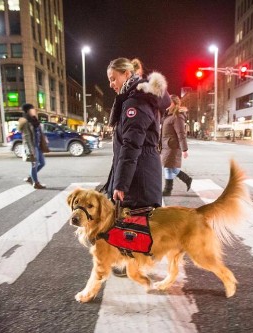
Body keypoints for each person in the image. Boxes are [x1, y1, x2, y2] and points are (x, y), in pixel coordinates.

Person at [104, 58, 166, 277]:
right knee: (135, 216)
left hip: (139, 171)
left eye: (113, 79)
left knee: (135, 215)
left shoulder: (135, 103)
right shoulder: (134, 98)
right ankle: (135, 260)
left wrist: (120, 183)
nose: (111, 84)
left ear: (126, 74)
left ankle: (137, 261)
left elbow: (131, 145)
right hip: (141, 168)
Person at [160, 94, 192, 196]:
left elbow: (181, 133)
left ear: (173, 103)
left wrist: (184, 149)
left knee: (170, 167)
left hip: (172, 146)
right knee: (168, 167)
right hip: (166, 146)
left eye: (167, 101)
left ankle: (171, 187)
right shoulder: (167, 115)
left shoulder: (177, 116)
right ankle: (168, 189)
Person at [18, 103, 49, 189]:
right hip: (33, 146)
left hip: (38, 145)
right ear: (28, 111)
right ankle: (36, 183)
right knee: (34, 165)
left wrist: (44, 138)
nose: (34, 111)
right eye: (32, 109)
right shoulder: (25, 122)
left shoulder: (35, 120)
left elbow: (38, 131)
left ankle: (30, 177)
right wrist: (32, 151)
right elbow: (27, 138)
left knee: (42, 163)